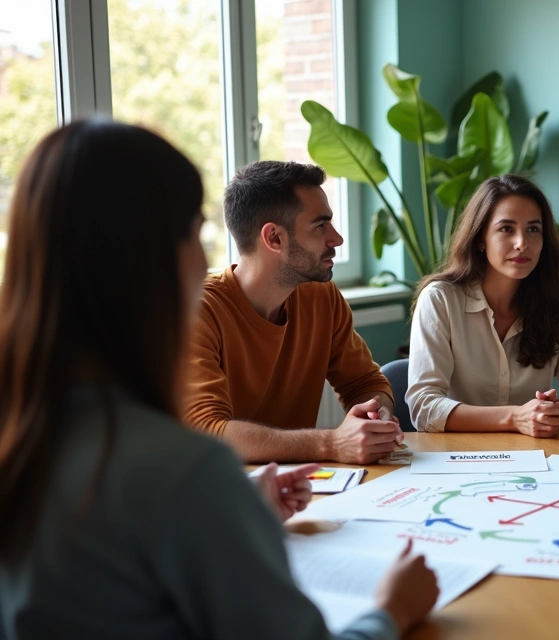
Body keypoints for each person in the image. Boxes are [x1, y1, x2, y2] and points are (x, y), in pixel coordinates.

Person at [0, 121, 438, 638]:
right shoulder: (185, 470)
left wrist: (239, 505)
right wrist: (392, 611)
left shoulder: (28, 435)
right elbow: (204, 441)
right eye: (196, 231)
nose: (205, 256)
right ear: (156, 260)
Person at [184, 160, 402, 464]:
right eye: (320, 226)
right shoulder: (196, 311)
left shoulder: (321, 296)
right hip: (222, 485)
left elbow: (364, 383)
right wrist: (332, 443)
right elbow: (208, 431)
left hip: (301, 483)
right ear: (274, 238)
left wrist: (376, 416)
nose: (337, 239)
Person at [407, 175, 559, 435]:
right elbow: (424, 407)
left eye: (533, 229)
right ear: (480, 238)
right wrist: (516, 418)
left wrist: (551, 414)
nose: (522, 243)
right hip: (457, 453)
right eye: (506, 229)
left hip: (536, 454)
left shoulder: (554, 308)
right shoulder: (440, 300)